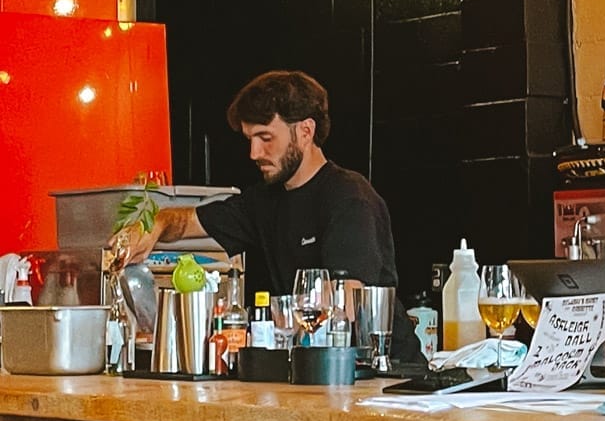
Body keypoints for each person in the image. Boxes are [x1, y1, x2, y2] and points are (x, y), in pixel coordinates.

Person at [119, 70, 421, 362]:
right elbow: (186, 223)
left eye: (265, 137)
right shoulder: (264, 201)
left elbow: (346, 306)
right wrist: (154, 224)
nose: (253, 152)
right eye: (250, 138)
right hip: (316, 372)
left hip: (387, 377)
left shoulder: (349, 198)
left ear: (305, 131)